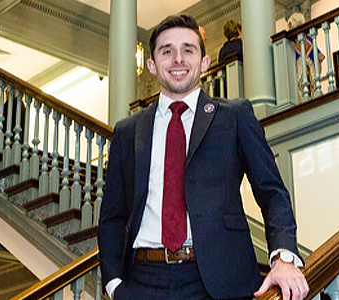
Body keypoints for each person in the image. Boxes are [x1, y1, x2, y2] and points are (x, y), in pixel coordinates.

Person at [98, 14, 309, 300]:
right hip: (142, 282)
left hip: (219, 280)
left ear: (204, 62)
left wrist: (283, 257)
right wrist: (113, 284)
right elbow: (112, 215)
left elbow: (272, 192)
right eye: (167, 51)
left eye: (188, 49)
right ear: (151, 65)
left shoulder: (235, 116)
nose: (178, 59)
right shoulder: (126, 131)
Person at [287, 13, 324, 99]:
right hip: (310, 88)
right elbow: (319, 62)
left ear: (292, 25)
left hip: (305, 87)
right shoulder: (309, 40)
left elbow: (318, 61)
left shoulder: (292, 44)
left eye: (289, 26)